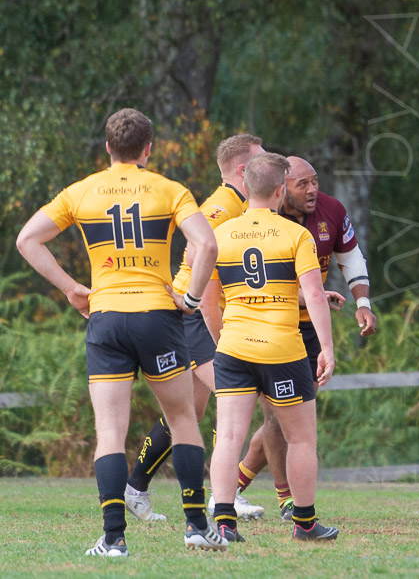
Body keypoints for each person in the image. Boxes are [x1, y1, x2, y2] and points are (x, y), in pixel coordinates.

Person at [15, 108, 226, 555]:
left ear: (108, 147)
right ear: (148, 149)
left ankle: (114, 539)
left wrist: (73, 288)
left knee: (109, 432)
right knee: (183, 418)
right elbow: (207, 243)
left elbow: (26, 240)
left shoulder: (81, 190)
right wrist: (190, 300)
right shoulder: (170, 189)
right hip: (157, 316)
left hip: (106, 317)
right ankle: (195, 527)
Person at [123, 133, 264, 523]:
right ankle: (227, 496)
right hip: (194, 312)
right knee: (234, 393)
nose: (268, 166)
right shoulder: (223, 204)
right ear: (242, 169)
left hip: (195, 311)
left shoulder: (241, 203)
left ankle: (135, 488)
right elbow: (197, 246)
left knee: (190, 409)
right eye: (261, 160)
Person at [232, 156, 377, 520]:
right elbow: (264, 281)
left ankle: (230, 488)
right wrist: (312, 295)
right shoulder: (263, 218)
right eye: (302, 184)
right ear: (281, 188)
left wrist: (362, 302)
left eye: (315, 181)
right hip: (270, 323)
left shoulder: (331, 210)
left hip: (310, 326)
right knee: (279, 417)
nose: (312, 190)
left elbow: (351, 258)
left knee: (288, 417)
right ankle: (286, 500)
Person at [207, 153, 338, 543]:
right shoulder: (296, 235)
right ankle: (305, 523)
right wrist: (326, 346)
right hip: (282, 349)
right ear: (281, 191)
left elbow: (209, 303)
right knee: (301, 439)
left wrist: (221, 343)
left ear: (245, 187)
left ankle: (225, 523)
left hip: (234, 348)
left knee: (228, 436)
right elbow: (313, 294)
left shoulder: (220, 235)